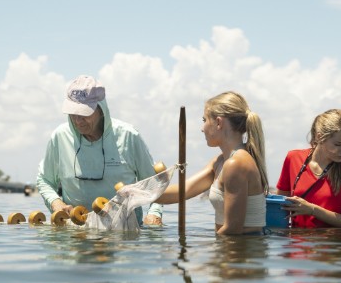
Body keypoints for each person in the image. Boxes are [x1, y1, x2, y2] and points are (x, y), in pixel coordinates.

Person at [36, 75, 164, 225]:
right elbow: (44, 179)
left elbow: (155, 186)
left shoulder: (129, 136)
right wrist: (55, 202)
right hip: (74, 234)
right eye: (73, 113)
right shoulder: (59, 137)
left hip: (124, 234)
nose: (77, 121)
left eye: (84, 113)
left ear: (101, 109)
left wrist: (154, 214)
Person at [157, 91, 268, 234]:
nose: (202, 128)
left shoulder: (236, 164)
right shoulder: (220, 161)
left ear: (218, 122)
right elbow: (183, 191)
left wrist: (203, 253)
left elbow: (233, 229)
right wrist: (137, 194)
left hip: (242, 252)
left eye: (204, 120)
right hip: (228, 250)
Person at [275, 109, 341, 228]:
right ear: (319, 137)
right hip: (297, 243)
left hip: (333, 244)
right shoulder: (293, 158)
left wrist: (312, 210)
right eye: (338, 144)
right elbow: (279, 208)